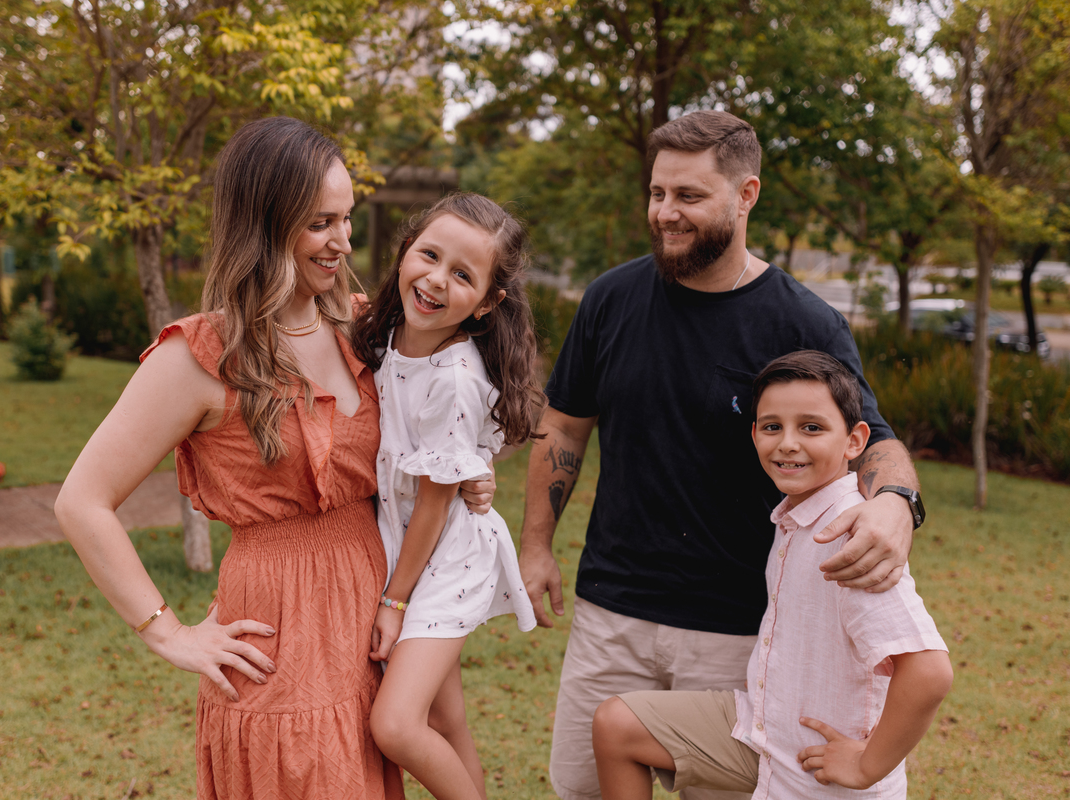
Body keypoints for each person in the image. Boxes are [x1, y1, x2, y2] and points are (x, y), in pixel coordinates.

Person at [54, 117, 494, 800]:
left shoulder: (365, 324)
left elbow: (441, 412)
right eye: (322, 222)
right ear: (265, 222)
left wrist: (471, 470)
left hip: (374, 604)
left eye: (346, 219)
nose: (344, 241)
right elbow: (81, 501)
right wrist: (166, 632)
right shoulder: (197, 356)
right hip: (278, 633)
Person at [520, 110, 927, 800]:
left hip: (739, 630)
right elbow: (563, 427)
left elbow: (874, 440)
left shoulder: (803, 323)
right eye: (657, 194)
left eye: (688, 197)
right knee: (583, 788)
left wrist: (896, 503)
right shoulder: (610, 299)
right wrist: (534, 544)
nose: (666, 213)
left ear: (746, 195)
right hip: (611, 612)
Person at [592, 350, 951, 799]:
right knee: (616, 725)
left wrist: (866, 765)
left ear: (855, 441)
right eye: (772, 426)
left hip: (821, 773)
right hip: (766, 733)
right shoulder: (794, 518)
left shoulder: (849, 533)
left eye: (812, 427)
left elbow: (929, 671)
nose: (787, 443)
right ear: (755, 434)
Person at [351, 193, 543, 800]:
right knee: (444, 717)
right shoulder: (387, 339)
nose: (435, 280)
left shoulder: (453, 378)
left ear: (487, 303)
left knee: (396, 724)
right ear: (405, 250)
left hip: (445, 560)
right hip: (417, 545)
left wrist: (394, 602)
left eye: (462, 275)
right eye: (428, 255)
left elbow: (435, 503)